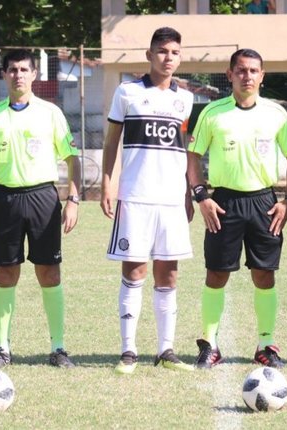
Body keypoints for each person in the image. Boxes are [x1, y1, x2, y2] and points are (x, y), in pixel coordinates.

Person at [0, 49, 80, 369]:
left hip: (43, 197)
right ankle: (2, 348)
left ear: (34, 74)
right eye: (12, 70)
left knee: (49, 272)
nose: (18, 75)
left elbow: (72, 159)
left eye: (24, 70)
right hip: (5, 201)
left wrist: (73, 199)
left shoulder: (51, 113)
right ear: (4, 74)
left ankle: (58, 347)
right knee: (6, 273)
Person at [187, 48, 287, 369]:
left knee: (264, 274)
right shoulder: (212, 112)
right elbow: (193, 156)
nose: (247, 76)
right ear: (230, 75)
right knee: (216, 273)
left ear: (262, 76)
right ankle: (209, 344)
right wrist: (201, 196)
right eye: (241, 70)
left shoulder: (276, 114)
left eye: (253, 71)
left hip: (264, 202)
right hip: (223, 202)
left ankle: (266, 344)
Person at [101, 27, 195, 374]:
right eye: (161, 51)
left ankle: (166, 350)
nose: (167, 58)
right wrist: (107, 183)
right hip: (135, 197)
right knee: (134, 271)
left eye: (174, 52)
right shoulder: (127, 92)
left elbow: (184, 150)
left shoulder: (184, 99)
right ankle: (129, 351)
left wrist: (188, 192)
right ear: (149, 54)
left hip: (171, 200)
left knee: (168, 274)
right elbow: (112, 142)